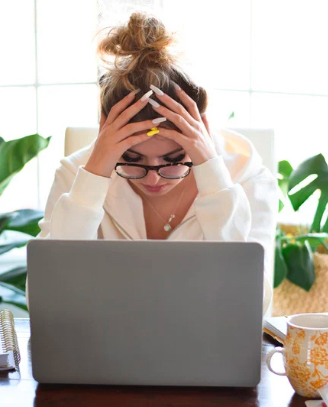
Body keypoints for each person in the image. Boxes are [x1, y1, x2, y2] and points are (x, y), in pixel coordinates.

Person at [28, 12, 279, 314]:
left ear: (203, 132)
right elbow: (44, 302)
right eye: (132, 160)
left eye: (173, 160)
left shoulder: (247, 178)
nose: (153, 179)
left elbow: (253, 306)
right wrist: (94, 177)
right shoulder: (78, 175)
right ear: (105, 133)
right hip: (103, 353)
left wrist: (211, 174)